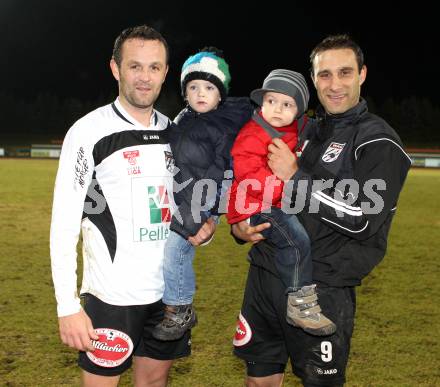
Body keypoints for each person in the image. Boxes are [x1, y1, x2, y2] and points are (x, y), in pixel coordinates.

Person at [231, 34, 412, 386]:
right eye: (324, 75)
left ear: (362, 74)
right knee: (259, 380)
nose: (334, 85)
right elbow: (252, 174)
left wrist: (297, 176)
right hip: (265, 276)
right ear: (313, 80)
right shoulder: (303, 128)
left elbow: (363, 219)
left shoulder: (377, 140)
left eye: (344, 73)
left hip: (321, 289)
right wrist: (239, 226)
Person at [50, 25, 215, 386]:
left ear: (166, 73)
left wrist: (204, 229)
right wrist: (67, 307)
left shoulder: (177, 133)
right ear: (115, 68)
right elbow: (63, 222)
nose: (144, 77)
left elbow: (189, 204)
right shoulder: (88, 132)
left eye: (154, 67)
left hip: (169, 297)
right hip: (112, 298)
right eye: (135, 66)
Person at [152, 47, 253, 341]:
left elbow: (226, 172)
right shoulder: (183, 119)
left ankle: (181, 308)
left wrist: (209, 212)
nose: (200, 93)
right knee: (173, 252)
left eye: (209, 87)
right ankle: (174, 303)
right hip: (184, 198)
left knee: (175, 249)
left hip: (203, 200)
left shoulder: (224, 124)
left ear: (220, 93)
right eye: (193, 87)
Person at [227, 69, 336, 336]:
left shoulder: (288, 128)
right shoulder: (253, 134)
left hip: (267, 202)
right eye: (271, 101)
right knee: (295, 239)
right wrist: (286, 187)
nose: (277, 109)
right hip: (254, 204)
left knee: (293, 235)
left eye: (287, 104)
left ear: (298, 111)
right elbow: (249, 177)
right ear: (261, 103)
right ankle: (299, 302)